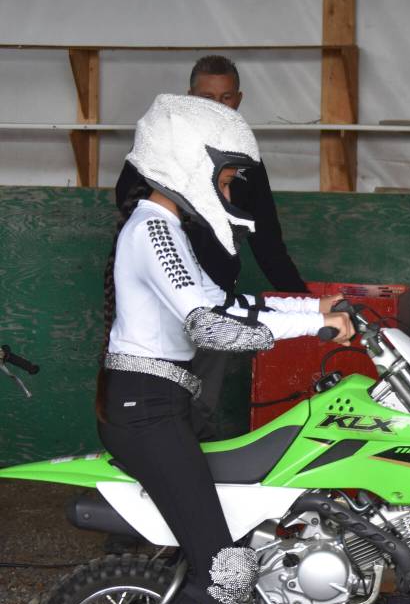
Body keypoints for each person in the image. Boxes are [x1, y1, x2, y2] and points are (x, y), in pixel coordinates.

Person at [96, 93, 353, 604]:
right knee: (227, 571)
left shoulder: (166, 228)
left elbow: (233, 305)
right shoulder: (153, 230)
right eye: (228, 180)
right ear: (188, 162)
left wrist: (315, 310)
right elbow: (211, 327)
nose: (231, 193)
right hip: (147, 412)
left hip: (158, 406)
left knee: (220, 552)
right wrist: (315, 330)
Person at [115, 55, 306, 440]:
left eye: (226, 97)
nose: (218, 105)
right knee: (163, 413)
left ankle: (183, 464)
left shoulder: (245, 161)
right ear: (189, 97)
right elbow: (130, 206)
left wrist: (303, 300)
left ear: (239, 99)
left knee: (199, 407)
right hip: (166, 307)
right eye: (207, 97)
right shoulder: (160, 162)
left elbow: (267, 241)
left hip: (218, 299)